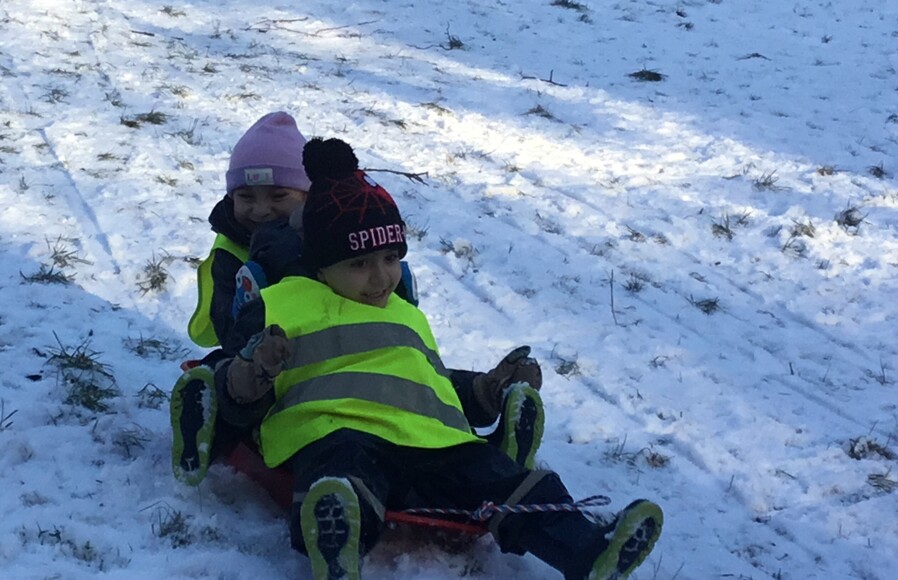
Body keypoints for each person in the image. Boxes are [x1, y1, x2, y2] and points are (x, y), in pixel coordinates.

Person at [215, 137, 662, 580]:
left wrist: (485, 390)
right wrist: (255, 370)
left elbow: (431, 379)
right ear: (320, 266)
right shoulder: (279, 303)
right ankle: (338, 538)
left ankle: (587, 552)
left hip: (431, 441)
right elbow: (233, 400)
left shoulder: (406, 314)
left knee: (505, 478)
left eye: (390, 258)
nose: (380, 278)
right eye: (358, 264)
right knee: (344, 477)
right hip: (338, 430)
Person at [171, 113, 545, 486]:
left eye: (278, 195)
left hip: (344, 345)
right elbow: (228, 325)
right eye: (245, 197)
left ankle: (488, 399)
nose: (261, 209)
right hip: (275, 356)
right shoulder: (230, 255)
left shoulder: (341, 232)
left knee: (408, 374)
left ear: (307, 195)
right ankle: (202, 421)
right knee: (227, 377)